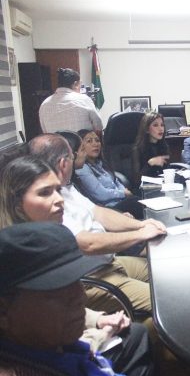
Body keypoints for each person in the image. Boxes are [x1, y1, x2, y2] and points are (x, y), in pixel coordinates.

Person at [0, 156, 168, 376]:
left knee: (162, 281)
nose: (59, 199)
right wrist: (97, 336)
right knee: (164, 303)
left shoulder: (54, 230)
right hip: (99, 281)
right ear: (17, 204)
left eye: (58, 190)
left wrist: (97, 319)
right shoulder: (12, 253)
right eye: (45, 193)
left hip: (105, 270)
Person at [0, 222, 156, 376]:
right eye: (56, 290)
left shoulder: (54, 346)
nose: (81, 297)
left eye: (77, 281)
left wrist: (99, 321)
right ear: (3, 311)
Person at [28, 133, 166, 314]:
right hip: (92, 278)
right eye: (72, 157)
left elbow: (99, 212)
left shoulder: (66, 187)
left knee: (164, 272)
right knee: (166, 301)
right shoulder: (48, 202)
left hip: (110, 263)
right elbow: (87, 243)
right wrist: (140, 235)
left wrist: (141, 225)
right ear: (63, 163)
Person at [75, 129, 144, 219]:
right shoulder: (83, 168)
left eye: (97, 140)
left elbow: (116, 181)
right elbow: (100, 194)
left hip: (121, 200)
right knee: (136, 202)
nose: (95, 144)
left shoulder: (100, 163)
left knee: (141, 193)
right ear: (81, 147)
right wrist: (122, 193)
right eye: (89, 141)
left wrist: (124, 191)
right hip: (108, 208)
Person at [39, 68, 103, 134]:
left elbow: (45, 132)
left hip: (56, 140)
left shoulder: (44, 104)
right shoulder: (84, 99)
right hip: (81, 140)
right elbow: (99, 126)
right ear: (76, 84)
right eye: (80, 84)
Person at [133, 111, 170, 182]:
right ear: (147, 129)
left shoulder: (164, 146)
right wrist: (150, 163)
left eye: (162, 125)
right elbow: (136, 180)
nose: (161, 129)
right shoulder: (138, 149)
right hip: (146, 187)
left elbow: (166, 170)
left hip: (162, 184)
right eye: (155, 125)